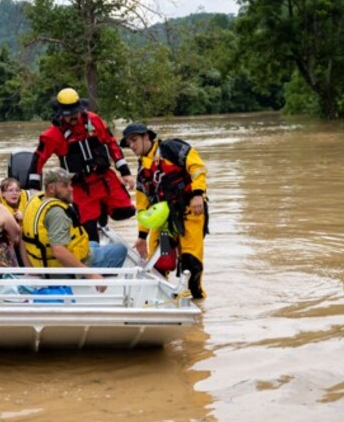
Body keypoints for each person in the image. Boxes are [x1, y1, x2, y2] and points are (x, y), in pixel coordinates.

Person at [27, 88, 136, 242]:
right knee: (89, 234)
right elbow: (38, 160)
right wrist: (33, 191)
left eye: (75, 113)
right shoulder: (52, 136)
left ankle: (102, 209)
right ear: (60, 114)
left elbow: (111, 144)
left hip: (104, 179)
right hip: (80, 187)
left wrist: (125, 172)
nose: (73, 117)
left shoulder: (94, 120)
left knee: (126, 212)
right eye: (68, 114)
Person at [120, 122, 209, 299]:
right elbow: (142, 205)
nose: (132, 146)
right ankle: (164, 299)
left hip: (190, 211)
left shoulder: (171, 148)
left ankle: (197, 301)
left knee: (191, 264)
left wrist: (198, 194)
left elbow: (197, 167)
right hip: (164, 220)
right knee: (157, 266)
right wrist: (141, 236)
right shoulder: (142, 170)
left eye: (134, 140)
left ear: (147, 137)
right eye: (129, 143)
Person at [22, 167, 128, 292]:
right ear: (51, 188)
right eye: (65, 186)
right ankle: (105, 288)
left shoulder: (36, 201)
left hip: (43, 264)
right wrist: (91, 275)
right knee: (120, 249)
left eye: (70, 185)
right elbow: (59, 251)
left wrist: (31, 269)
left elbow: (24, 237)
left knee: (93, 244)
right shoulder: (56, 213)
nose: (71, 189)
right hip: (61, 271)